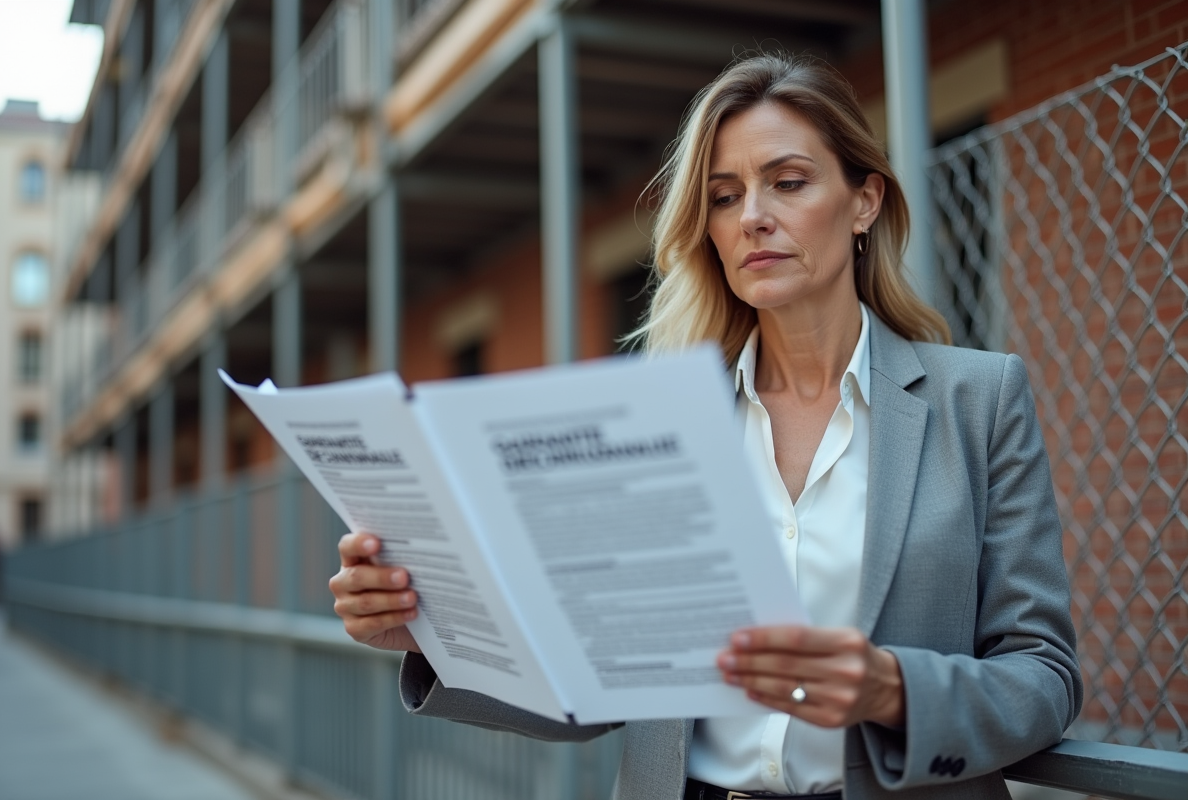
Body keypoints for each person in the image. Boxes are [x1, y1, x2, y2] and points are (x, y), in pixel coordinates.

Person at [329, 53, 1082, 800]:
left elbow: (1044, 678)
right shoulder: (659, 426)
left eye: (787, 182)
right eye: (724, 197)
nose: (753, 215)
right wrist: (434, 635)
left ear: (864, 201)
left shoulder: (978, 400)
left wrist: (895, 690)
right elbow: (603, 682)